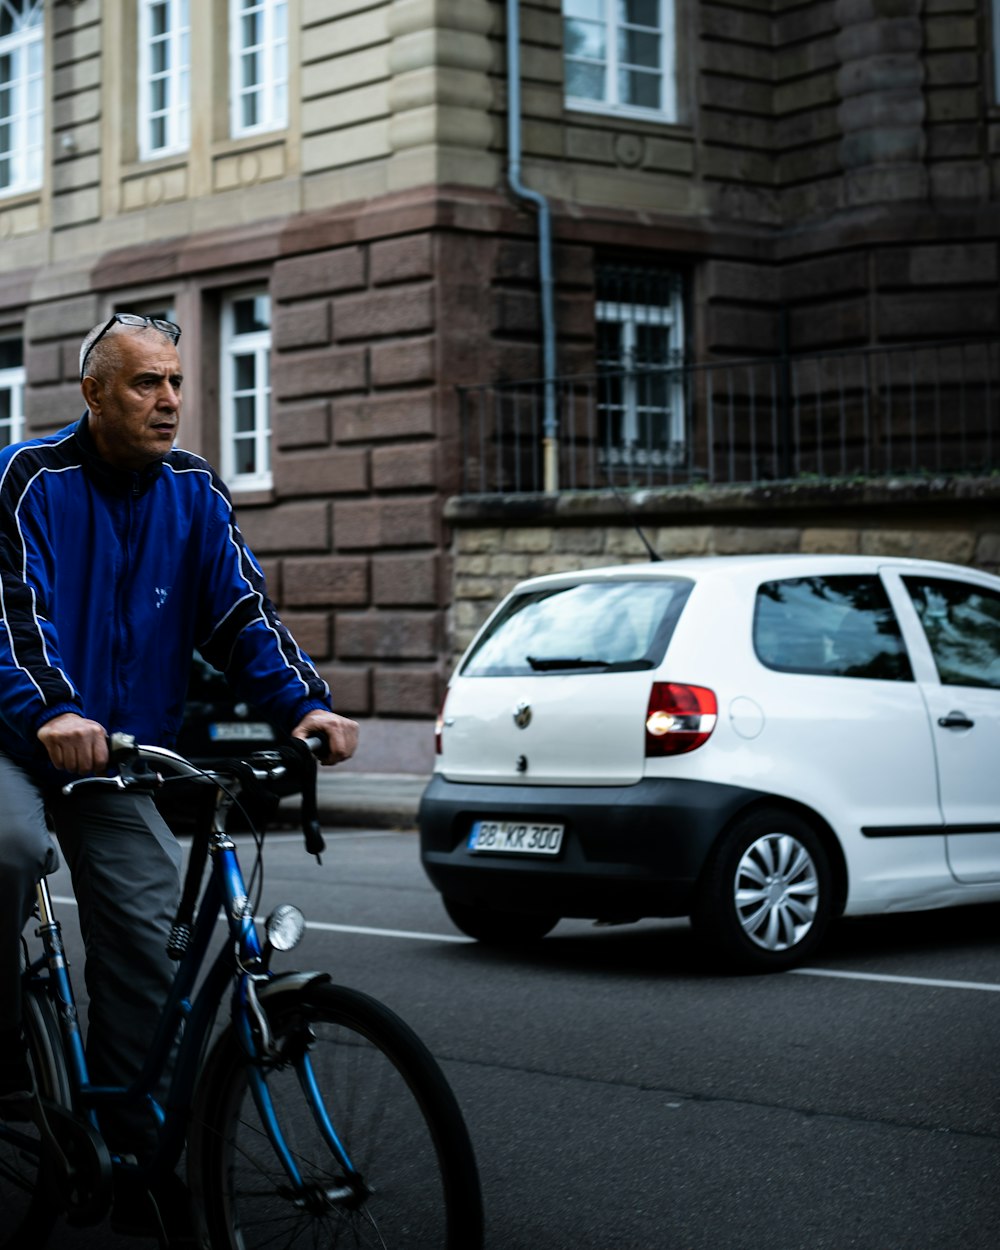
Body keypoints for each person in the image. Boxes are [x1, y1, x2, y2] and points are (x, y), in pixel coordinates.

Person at [0, 312, 358, 1239]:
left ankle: (131, 1145)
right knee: (10, 846)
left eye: (174, 383)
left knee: (150, 937)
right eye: (142, 384)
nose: (166, 401)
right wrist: (51, 712)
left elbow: (240, 612)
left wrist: (302, 706)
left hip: (117, 757)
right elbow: (12, 616)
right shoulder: (30, 480)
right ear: (91, 392)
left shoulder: (193, 492)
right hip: (19, 737)